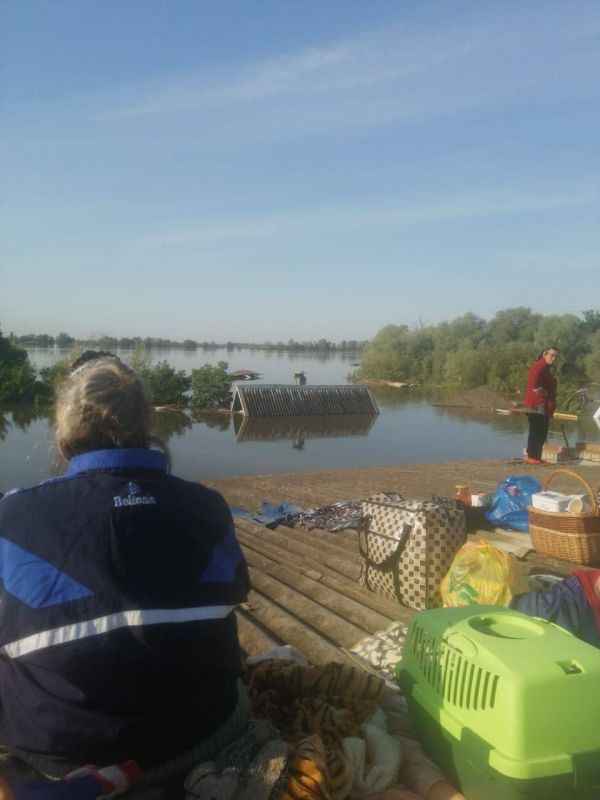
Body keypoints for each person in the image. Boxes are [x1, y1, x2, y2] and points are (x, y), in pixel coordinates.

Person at [0, 354, 250, 782]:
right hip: (203, 733)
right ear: (147, 427)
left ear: (62, 437)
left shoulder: (12, 517)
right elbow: (233, 594)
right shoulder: (208, 507)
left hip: (63, 758)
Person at [522, 345, 559, 465]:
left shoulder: (546, 368)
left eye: (556, 356)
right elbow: (534, 381)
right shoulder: (540, 365)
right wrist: (543, 392)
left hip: (540, 405)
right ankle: (533, 457)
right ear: (544, 354)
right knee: (538, 431)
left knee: (540, 431)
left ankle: (534, 456)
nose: (553, 358)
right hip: (536, 404)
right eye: (552, 355)